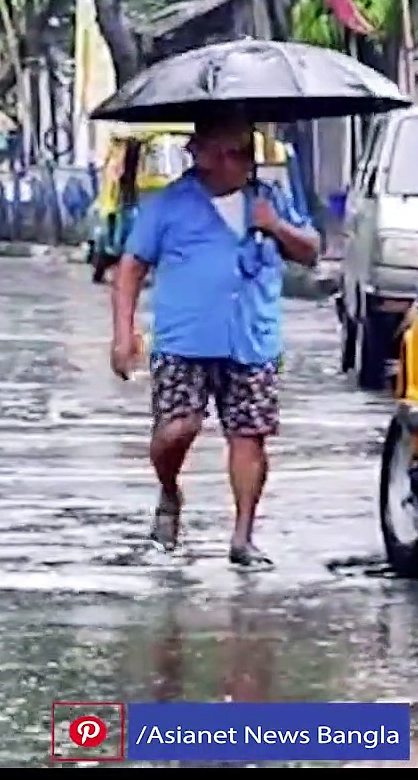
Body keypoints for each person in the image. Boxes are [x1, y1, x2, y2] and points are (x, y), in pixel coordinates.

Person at [109, 112, 320, 570]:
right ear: (202, 155)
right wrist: (123, 333)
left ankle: (242, 537)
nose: (239, 162)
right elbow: (130, 267)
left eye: (245, 152)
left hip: (252, 339)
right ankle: (169, 488)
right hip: (184, 339)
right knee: (177, 429)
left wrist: (276, 227)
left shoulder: (269, 200)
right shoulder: (169, 204)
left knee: (249, 437)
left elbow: (311, 251)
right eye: (229, 152)